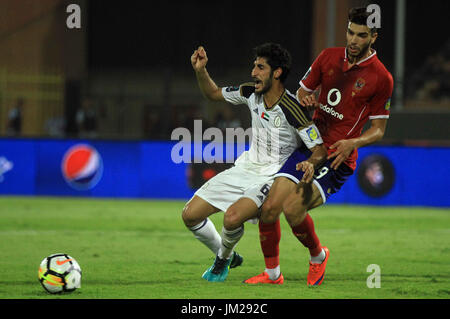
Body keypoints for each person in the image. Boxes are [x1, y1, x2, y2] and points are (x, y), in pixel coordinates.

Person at [244, 7, 394, 286]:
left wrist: (354, 142)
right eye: (350, 32)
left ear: (373, 37)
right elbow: (301, 91)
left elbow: (378, 130)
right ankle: (273, 275)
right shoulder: (328, 56)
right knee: (269, 208)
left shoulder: (381, 78)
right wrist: (307, 98)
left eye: (361, 35)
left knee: (293, 209)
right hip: (310, 146)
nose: (353, 40)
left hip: (337, 157)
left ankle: (317, 257)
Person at [182, 43, 328, 282]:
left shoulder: (293, 108)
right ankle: (228, 256)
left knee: (231, 218)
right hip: (245, 167)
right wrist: (201, 71)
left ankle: (222, 260)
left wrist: (311, 162)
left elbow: (319, 149)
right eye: (254, 66)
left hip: (272, 177)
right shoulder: (250, 92)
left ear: (277, 73)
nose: (253, 73)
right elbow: (213, 93)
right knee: (190, 215)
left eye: (260, 67)